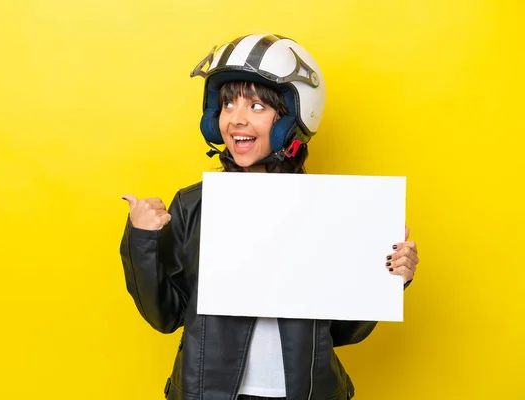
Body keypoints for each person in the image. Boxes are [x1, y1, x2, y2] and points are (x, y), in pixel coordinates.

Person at [120, 33, 419, 400]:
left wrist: (390, 278)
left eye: (257, 107)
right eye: (228, 106)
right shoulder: (192, 205)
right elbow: (164, 316)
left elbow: (343, 332)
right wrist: (143, 240)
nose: (236, 120)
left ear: (291, 119)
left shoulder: (332, 211)